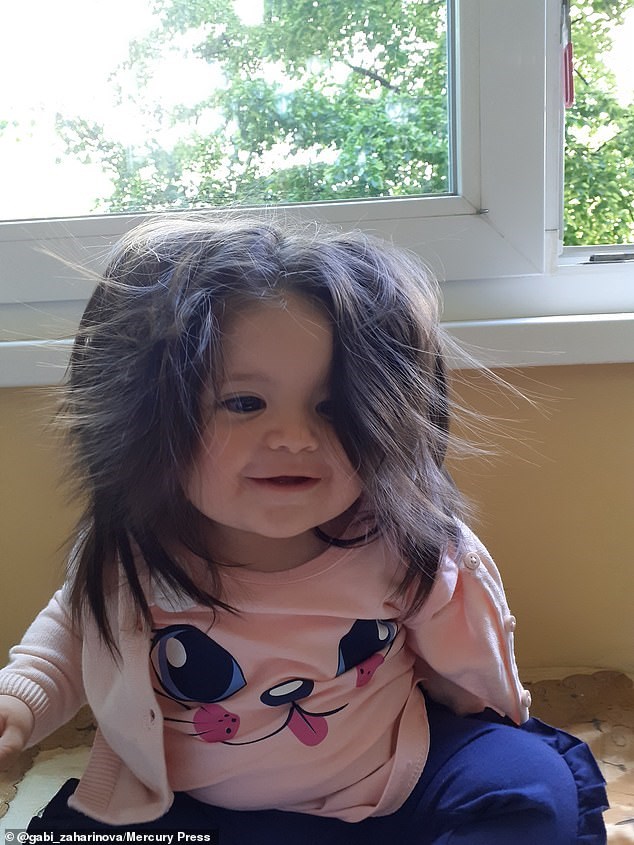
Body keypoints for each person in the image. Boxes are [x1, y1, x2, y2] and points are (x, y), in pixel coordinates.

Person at [0, 216, 607, 843]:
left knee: (529, 787)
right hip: (195, 810)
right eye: (243, 403)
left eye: (333, 407)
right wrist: (18, 702)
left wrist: (487, 703)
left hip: (391, 786)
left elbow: (470, 659)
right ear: (151, 422)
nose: (295, 437)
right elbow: (76, 630)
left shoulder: (398, 542)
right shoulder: (136, 552)